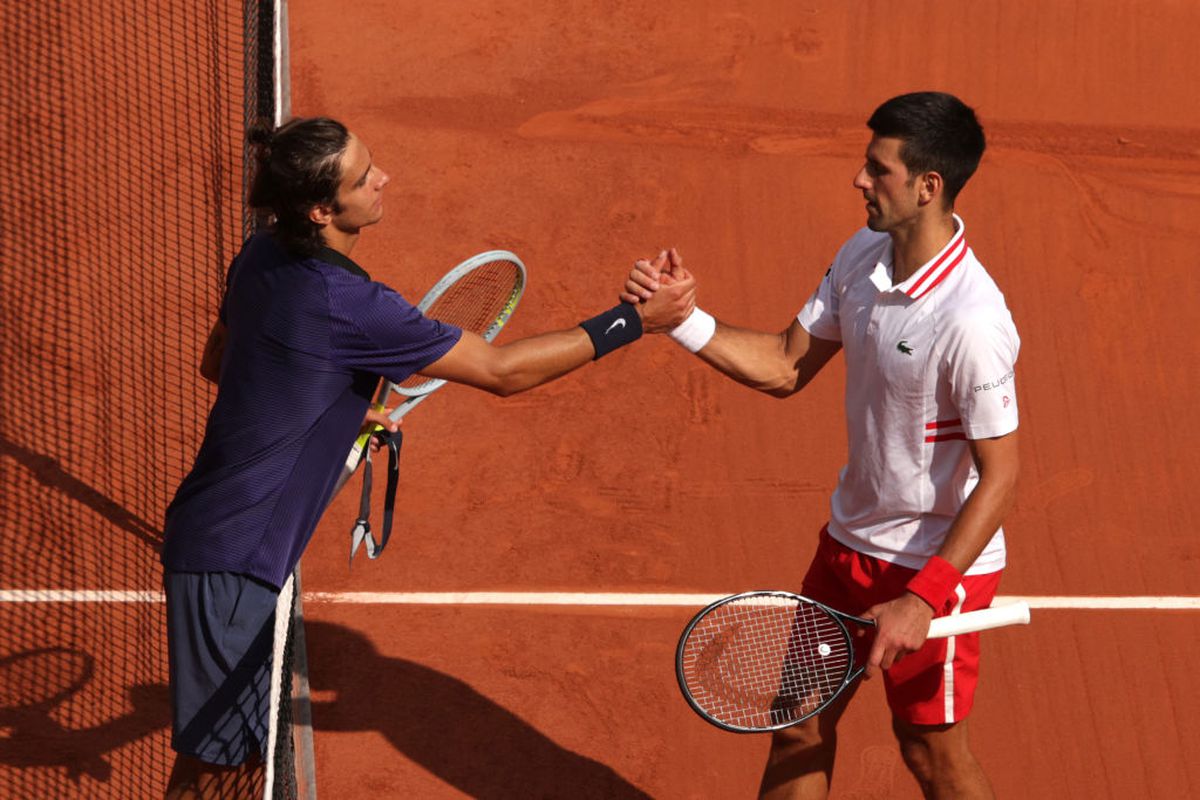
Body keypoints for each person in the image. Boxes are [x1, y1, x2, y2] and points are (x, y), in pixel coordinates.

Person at [160, 116, 696, 798]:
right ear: (322, 209)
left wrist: (340, 407)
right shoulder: (354, 307)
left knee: (229, 760)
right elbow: (502, 371)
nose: (384, 179)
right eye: (363, 178)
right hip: (235, 562)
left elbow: (220, 363)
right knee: (224, 776)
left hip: (215, 532)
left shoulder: (261, 255)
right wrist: (633, 322)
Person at [625, 92, 1019, 800]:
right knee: (798, 722)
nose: (859, 181)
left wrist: (924, 601)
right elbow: (784, 364)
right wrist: (682, 322)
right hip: (849, 545)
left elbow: (1002, 475)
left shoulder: (971, 319)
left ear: (928, 186)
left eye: (878, 170)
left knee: (932, 756)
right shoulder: (862, 256)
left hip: (934, 571)